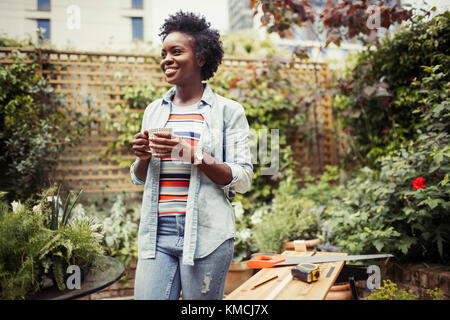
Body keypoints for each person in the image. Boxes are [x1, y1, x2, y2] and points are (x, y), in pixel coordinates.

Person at [130, 11, 253, 300]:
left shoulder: (227, 111)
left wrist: (194, 155)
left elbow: (243, 179)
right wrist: (143, 157)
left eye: (176, 52)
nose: (166, 59)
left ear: (200, 58)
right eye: (163, 53)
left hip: (206, 236)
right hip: (156, 235)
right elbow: (139, 178)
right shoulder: (154, 110)